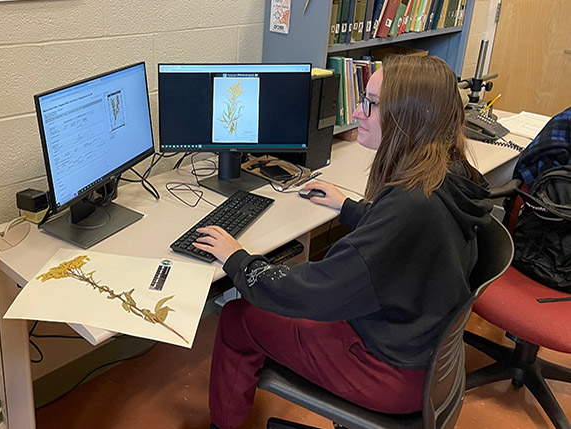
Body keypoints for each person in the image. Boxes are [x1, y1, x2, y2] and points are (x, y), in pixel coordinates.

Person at [194, 55, 494, 429]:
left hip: (386, 371)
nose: (357, 111)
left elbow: (313, 292)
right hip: (418, 351)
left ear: (407, 117)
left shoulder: (411, 204)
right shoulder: (445, 175)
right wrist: (350, 208)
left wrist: (238, 259)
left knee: (239, 318)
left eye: (370, 102)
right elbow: (406, 242)